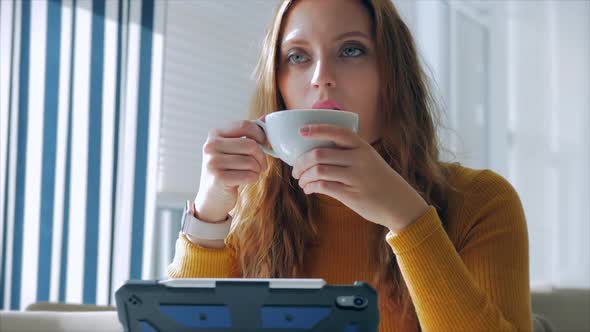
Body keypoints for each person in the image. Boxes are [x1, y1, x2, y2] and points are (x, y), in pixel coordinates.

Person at [167, 0, 532, 331]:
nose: (321, 77)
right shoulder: (244, 211)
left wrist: (407, 217)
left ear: (392, 77)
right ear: (277, 86)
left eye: (351, 50)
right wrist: (208, 216)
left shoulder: (482, 201)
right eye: (297, 56)